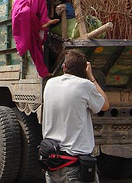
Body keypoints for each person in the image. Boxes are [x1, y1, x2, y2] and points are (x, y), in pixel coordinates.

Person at [42, 50, 109, 183]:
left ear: (64, 67)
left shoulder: (50, 84)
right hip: (75, 166)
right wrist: (91, 77)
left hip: (52, 161)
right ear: (84, 70)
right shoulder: (85, 86)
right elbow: (105, 105)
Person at [12, 0, 59, 78]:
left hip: (21, 19)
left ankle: (44, 73)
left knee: (35, 47)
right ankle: (44, 20)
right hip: (24, 12)